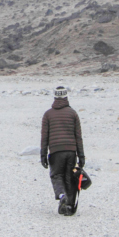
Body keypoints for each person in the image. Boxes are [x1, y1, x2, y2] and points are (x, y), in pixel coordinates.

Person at [40, 86, 85, 216]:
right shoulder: (73, 113)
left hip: (55, 151)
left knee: (56, 175)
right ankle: (69, 206)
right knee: (69, 177)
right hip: (71, 151)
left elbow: (45, 137)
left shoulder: (48, 114)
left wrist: (43, 154)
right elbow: (78, 137)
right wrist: (81, 156)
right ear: (66, 97)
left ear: (54, 97)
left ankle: (61, 196)